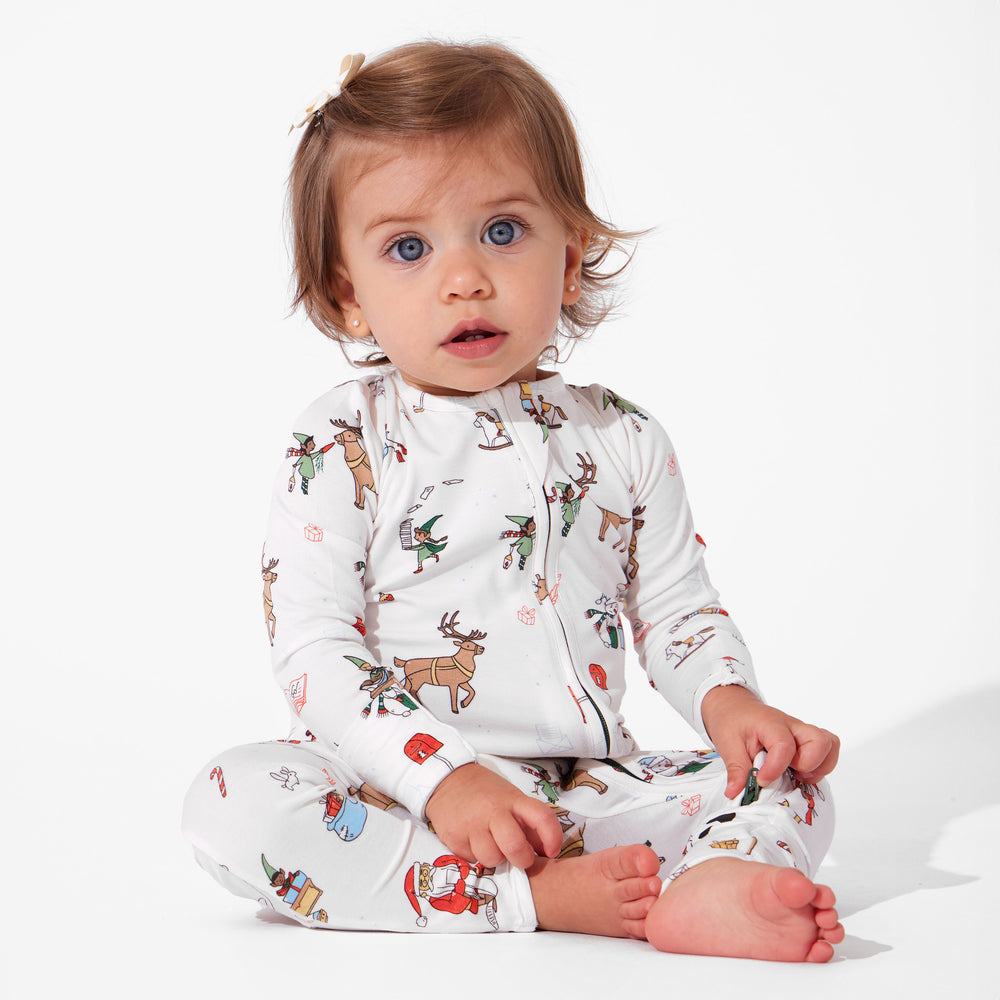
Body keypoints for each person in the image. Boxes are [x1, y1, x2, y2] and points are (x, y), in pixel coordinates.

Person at [182, 40, 844, 962]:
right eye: (408, 248)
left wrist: (731, 705)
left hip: (583, 794)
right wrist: (446, 780)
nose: (464, 278)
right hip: (403, 800)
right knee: (232, 801)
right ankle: (526, 898)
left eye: (502, 231)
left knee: (793, 781)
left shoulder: (621, 437)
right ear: (349, 294)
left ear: (569, 258)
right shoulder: (339, 441)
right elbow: (314, 648)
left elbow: (677, 611)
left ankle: (712, 882)